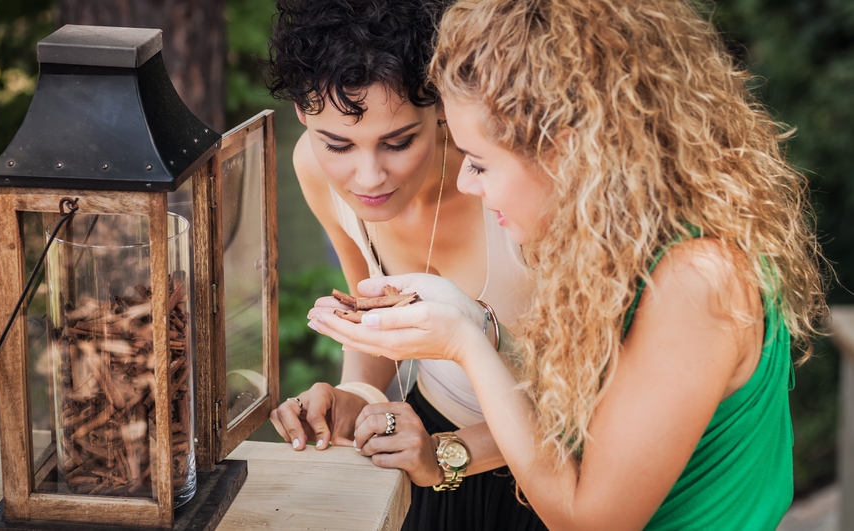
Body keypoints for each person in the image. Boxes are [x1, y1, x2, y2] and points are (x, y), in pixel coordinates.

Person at [307, 0, 828, 529]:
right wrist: (445, 451)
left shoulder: (693, 282)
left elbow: (589, 521)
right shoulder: (612, 246)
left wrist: (467, 341)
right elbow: (579, 434)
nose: (466, 183)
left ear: (567, 152)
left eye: (480, 164)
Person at [262, 1, 546, 530]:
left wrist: (448, 454)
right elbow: (371, 321)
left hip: (544, 469)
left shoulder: (509, 183)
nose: (368, 178)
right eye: (337, 144)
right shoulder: (312, 169)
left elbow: (595, 393)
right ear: (303, 114)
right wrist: (354, 399)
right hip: (421, 452)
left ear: (441, 108)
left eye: (399, 142)